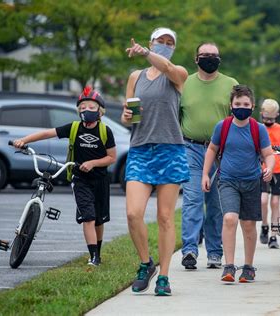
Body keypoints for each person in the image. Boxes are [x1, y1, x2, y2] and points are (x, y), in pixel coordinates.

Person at [13, 86, 116, 267]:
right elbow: (47, 133)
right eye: (82, 108)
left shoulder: (105, 131)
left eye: (91, 107)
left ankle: (97, 253)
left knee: (99, 219)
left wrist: (93, 163)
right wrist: (24, 140)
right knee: (89, 218)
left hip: (100, 180)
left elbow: (111, 158)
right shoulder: (74, 128)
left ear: (100, 111)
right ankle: (93, 257)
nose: (86, 111)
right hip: (80, 180)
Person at [122, 27, 190, 296]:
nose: (164, 45)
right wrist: (127, 116)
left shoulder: (178, 74)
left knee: (165, 217)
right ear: (151, 41)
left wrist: (148, 53)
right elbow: (130, 114)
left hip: (170, 150)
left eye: (169, 42)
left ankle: (163, 276)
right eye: (159, 41)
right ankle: (145, 263)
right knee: (133, 213)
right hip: (140, 149)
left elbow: (169, 69)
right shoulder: (135, 76)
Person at [201, 85, 275, 283]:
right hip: (227, 181)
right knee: (230, 219)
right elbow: (211, 150)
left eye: (245, 104)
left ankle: (248, 267)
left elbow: (268, 154)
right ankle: (229, 266)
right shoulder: (222, 126)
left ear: (252, 107)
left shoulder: (257, 128)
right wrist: (205, 175)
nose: (241, 107)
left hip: (252, 181)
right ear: (231, 106)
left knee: (249, 224)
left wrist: (268, 168)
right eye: (237, 104)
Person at [180, 42, 239, 270]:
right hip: (191, 149)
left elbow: (237, 118)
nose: (210, 58)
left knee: (216, 204)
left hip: (221, 153)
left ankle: (215, 252)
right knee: (193, 199)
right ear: (196, 59)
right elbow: (177, 117)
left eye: (214, 55)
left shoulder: (230, 84)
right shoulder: (185, 83)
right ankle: (189, 251)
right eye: (205, 55)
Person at [259, 99, 280, 249]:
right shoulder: (259, 128)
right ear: (261, 115)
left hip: (277, 169)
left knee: (276, 202)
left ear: (277, 115)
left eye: (271, 119)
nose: (268, 121)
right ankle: (265, 225)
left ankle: (274, 235)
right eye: (266, 119)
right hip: (263, 169)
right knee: (263, 200)